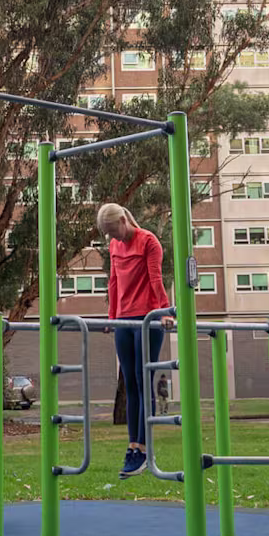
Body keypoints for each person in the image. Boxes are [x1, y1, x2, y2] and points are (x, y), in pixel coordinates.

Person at [99, 202, 169, 479]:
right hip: (124, 321)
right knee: (129, 384)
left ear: (124, 221)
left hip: (148, 318)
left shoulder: (149, 241)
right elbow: (113, 282)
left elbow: (155, 277)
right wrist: (112, 316)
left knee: (142, 381)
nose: (113, 238)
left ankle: (143, 447)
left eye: (114, 231)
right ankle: (132, 446)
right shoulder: (115, 247)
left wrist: (163, 310)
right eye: (108, 234)